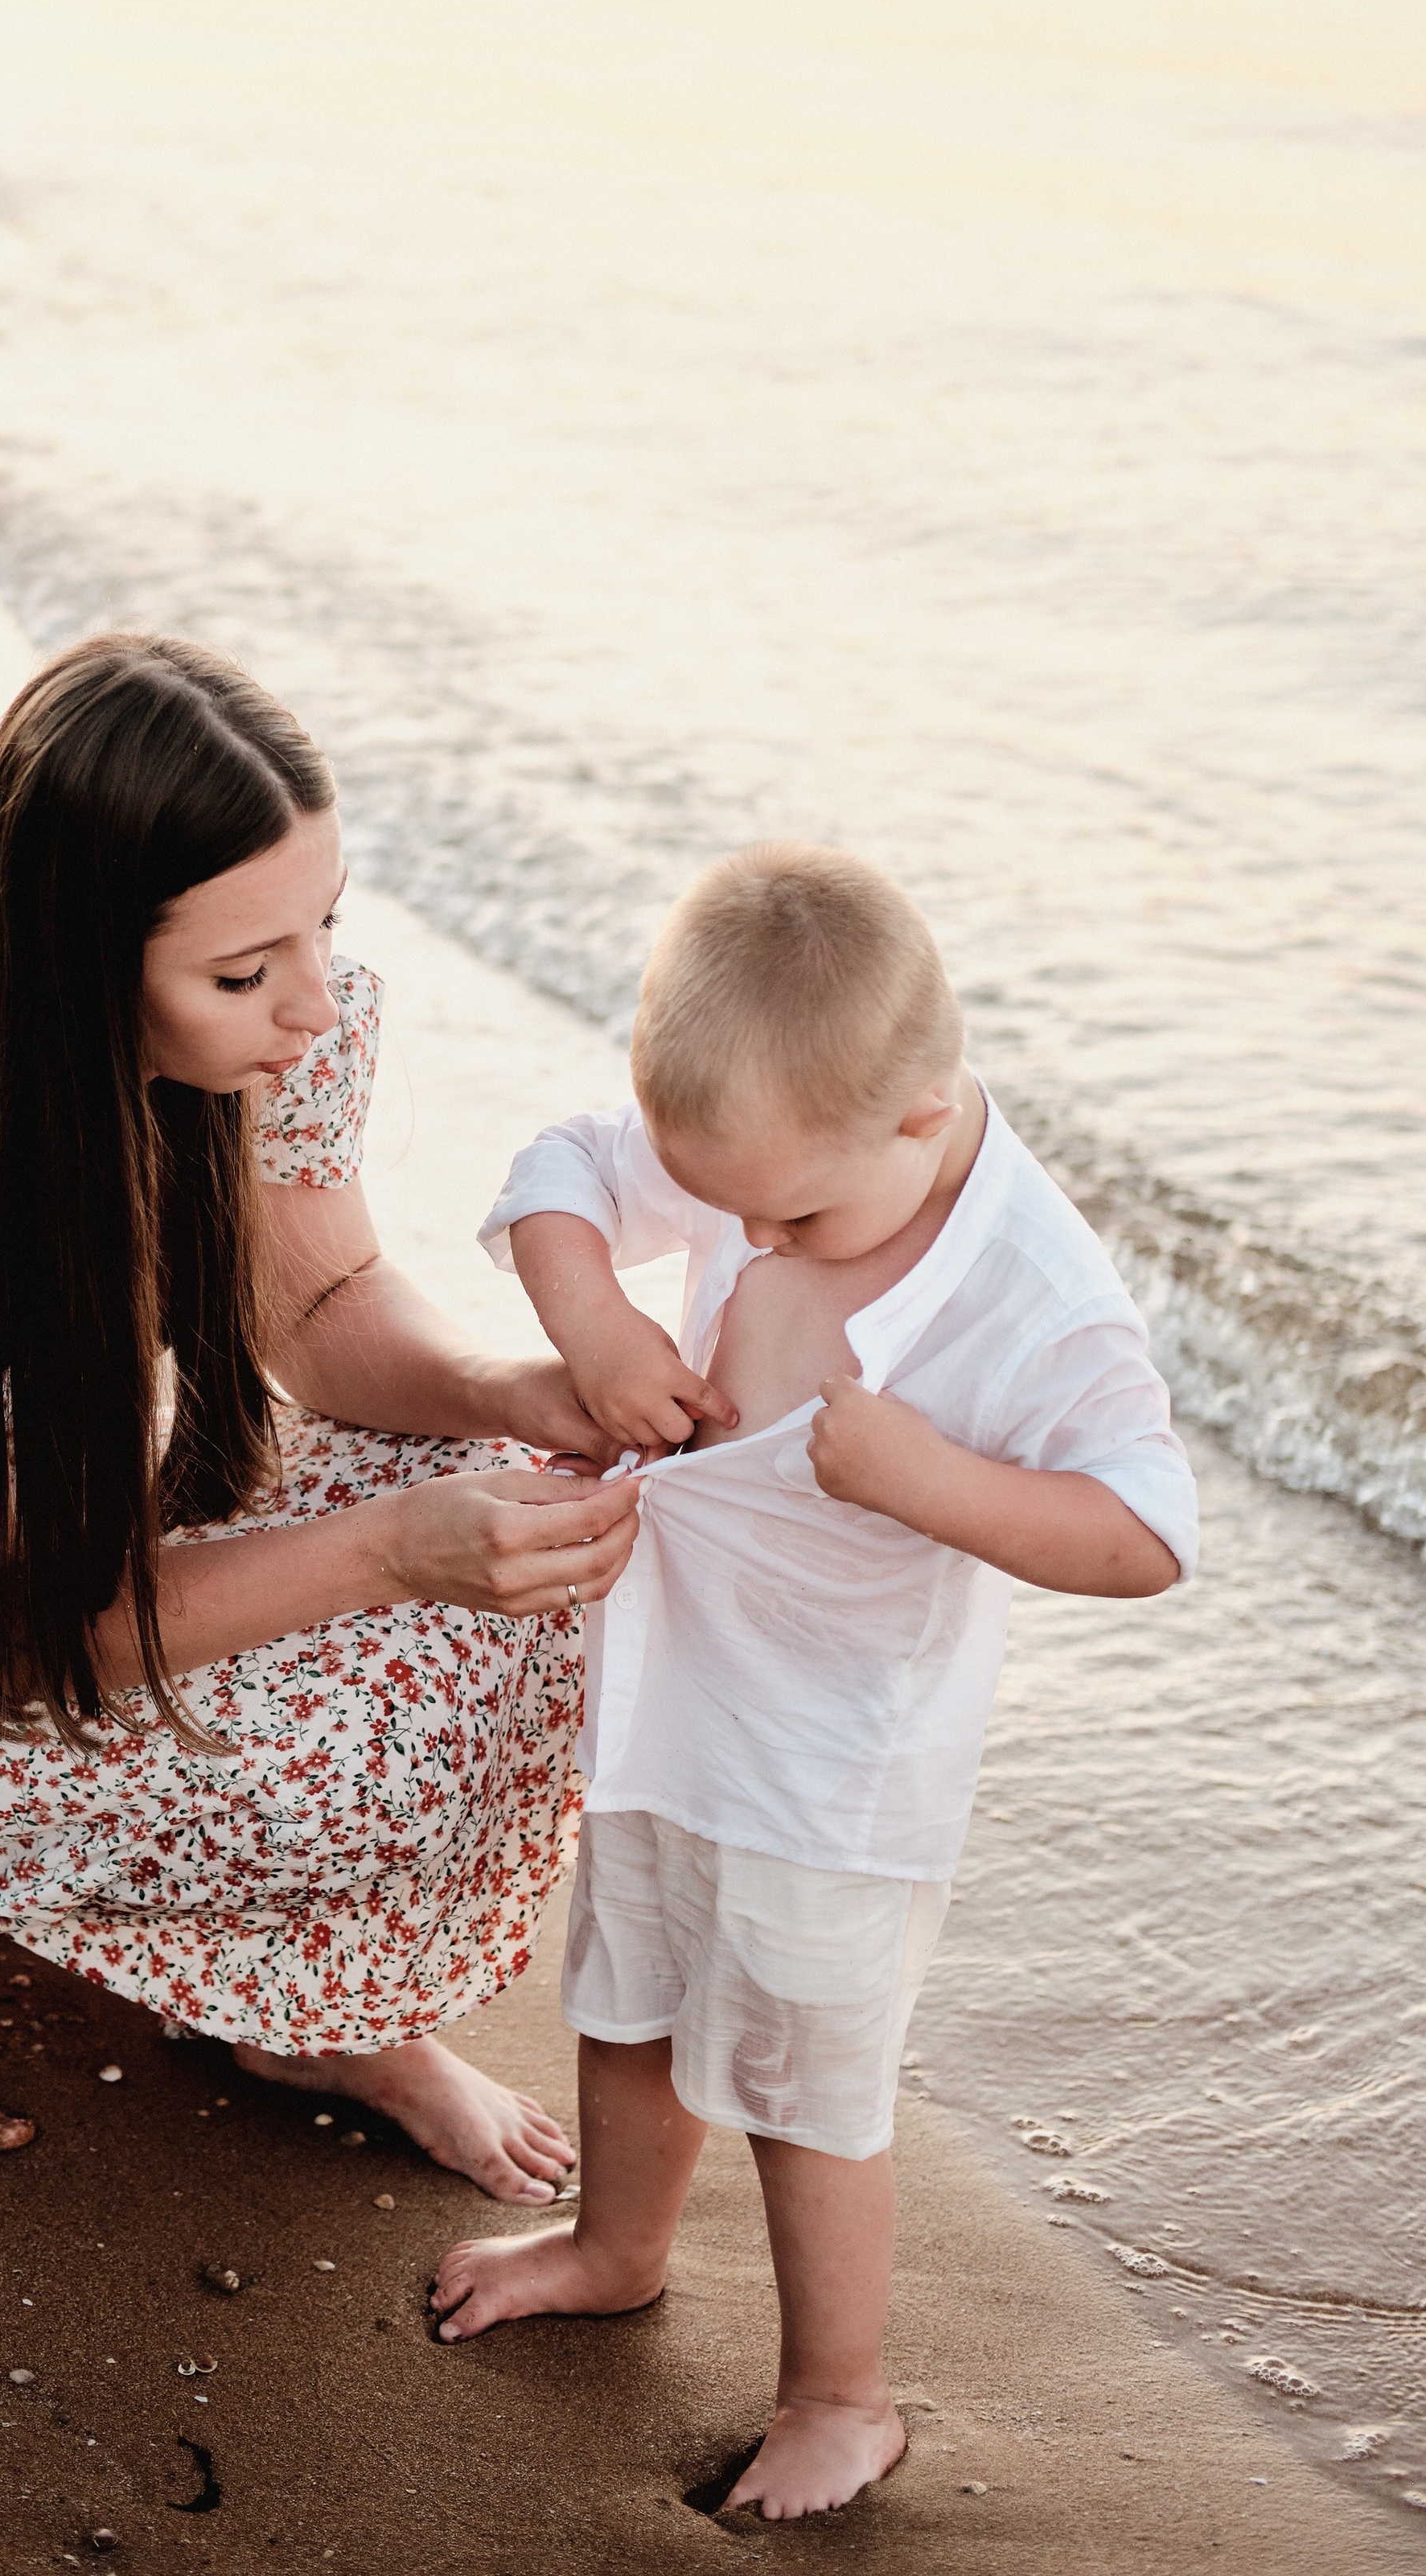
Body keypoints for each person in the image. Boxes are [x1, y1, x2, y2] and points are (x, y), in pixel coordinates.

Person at [0, 634, 642, 2192]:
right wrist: (390, 1552)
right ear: (78, 967)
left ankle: (312, 2002)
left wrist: (509, 1388)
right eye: (242, 972)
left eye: (324, 926)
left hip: (36, 1543)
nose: (307, 1002)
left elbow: (320, 1296)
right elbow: (24, 1636)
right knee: (362, 1737)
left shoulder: (266, 1011)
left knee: (520, 1512)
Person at [427, 841, 1198, 2517]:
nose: (748, 1234)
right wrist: (599, 1327)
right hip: (668, 1704)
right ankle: (616, 2244)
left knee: (802, 2093)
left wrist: (925, 1479)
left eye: (786, 1216)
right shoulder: (781, 1128)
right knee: (620, 2001)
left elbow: (1143, 1529)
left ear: (921, 1116)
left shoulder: (1029, 1290)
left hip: (832, 1777)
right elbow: (560, 1166)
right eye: (725, 1202)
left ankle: (840, 2397)